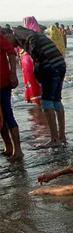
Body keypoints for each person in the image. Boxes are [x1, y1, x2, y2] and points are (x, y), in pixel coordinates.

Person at [7, 26, 67, 148]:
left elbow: (37, 57)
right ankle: (62, 136)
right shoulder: (33, 35)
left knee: (47, 101)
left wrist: (38, 75)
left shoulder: (27, 39)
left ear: (10, 34)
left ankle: (55, 139)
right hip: (60, 63)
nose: (11, 46)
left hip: (49, 66)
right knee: (56, 100)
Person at [0, 29, 23, 161]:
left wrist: (13, 73)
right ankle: (8, 146)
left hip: (3, 82)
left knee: (8, 115)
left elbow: (11, 53)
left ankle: (17, 150)